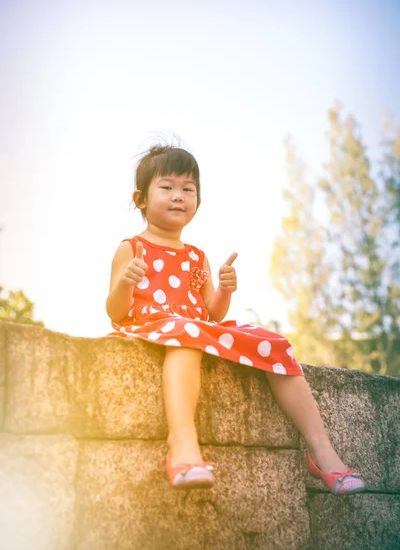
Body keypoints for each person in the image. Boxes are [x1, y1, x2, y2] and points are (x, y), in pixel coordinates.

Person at [106, 144, 365, 494]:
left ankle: (323, 452)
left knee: (274, 344)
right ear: (141, 199)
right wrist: (126, 283)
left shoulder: (198, 257)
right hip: (156, 326)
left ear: (198, 202)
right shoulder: (132, 248)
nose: (178, 196)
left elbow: (211, 313)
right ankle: (183, 448)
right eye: (166, 187)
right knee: (187, 336)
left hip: (195, 327)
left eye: (188, 189)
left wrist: (225, 291)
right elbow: (115, 311)